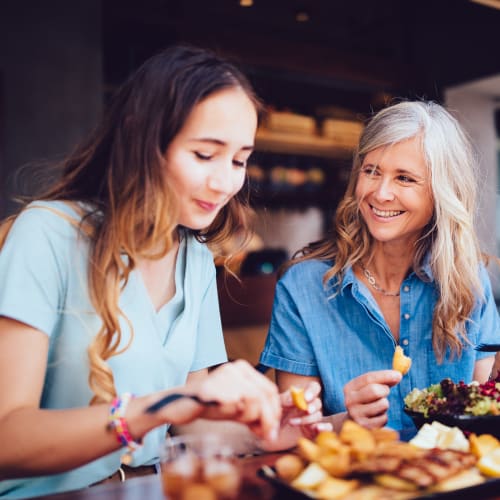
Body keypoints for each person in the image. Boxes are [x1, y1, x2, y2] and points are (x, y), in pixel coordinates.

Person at [0, 45, 325, 498]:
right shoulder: (47, 234)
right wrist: (163, 406)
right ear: (144, 142)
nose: (226, 182)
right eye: (205, 154)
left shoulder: (193, 256)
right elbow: (6, 438)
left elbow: (189, 429)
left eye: (238, 160)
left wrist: (267, 427)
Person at [259, 100, 500, 440]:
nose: (381, 193)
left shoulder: (468, 281)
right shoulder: (302, 287)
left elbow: (483, 415)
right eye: (371, 171)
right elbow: (289, 433)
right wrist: (346, 420)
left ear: (441, 193)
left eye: (405, 178)